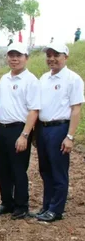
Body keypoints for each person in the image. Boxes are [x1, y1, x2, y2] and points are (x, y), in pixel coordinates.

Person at [0, 43, 40, 220]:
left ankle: (21, 205)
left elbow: (34, 110)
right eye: (11, 55)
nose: (14, 59)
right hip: (3, 129)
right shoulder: (4, 79)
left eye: (18, 55)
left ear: (26, 58)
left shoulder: (31, 80)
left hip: (19, 129)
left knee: (18, 169)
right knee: (3, 169)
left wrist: (25, 135)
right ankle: (6, 202)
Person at [34, 42, 84, 222]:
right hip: (43, 128)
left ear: (66, 57)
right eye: (49, 55)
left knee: (58, 170)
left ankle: (56, 209)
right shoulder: (43, 79)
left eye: (56, 55)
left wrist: (69, 136)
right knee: (45, 169)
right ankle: (47, 205)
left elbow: (76, 109)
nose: (52, 58)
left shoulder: (73, 79)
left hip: (60, 128)